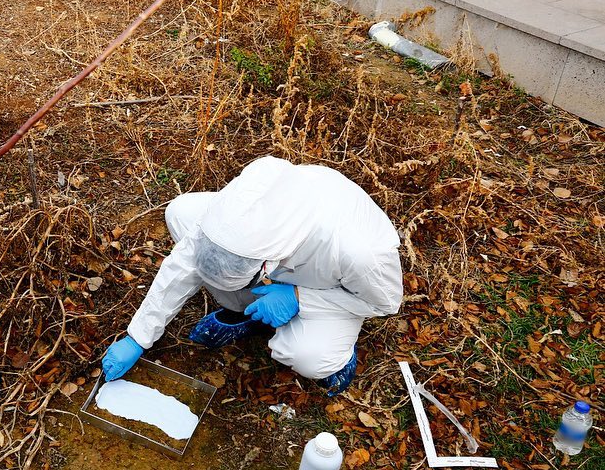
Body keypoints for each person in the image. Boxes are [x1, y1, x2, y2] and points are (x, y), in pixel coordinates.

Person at [101, 156, 402, 395]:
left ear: (267, 264)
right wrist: (138, 336)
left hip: (330, 289)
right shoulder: (232, 217)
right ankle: (244, 311)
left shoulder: (359, 252)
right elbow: (184, 263)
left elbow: (385, 303)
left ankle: (338, 358)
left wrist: (301, 298)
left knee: (307, 355)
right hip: (271, 268)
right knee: (181, 211)